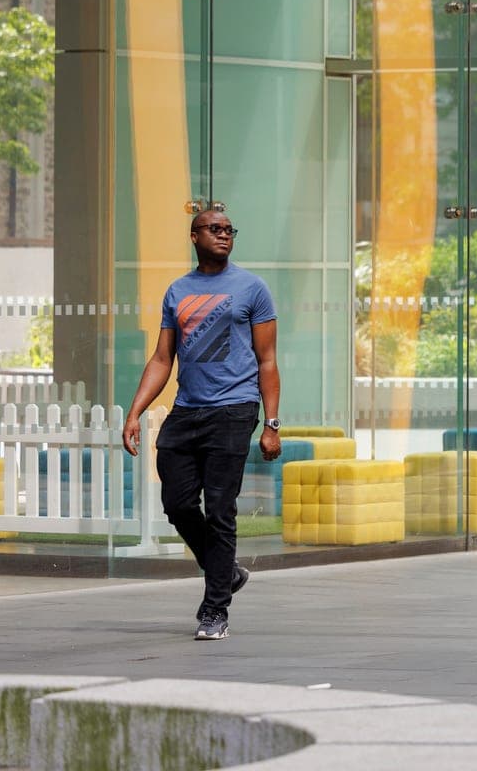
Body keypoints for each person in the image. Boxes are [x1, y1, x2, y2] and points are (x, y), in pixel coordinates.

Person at [123, 208, 281, 641]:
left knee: (220, 510)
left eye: (230, 230)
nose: (225, 235)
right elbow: (161, 359)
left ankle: (215, 610)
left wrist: (271, 423)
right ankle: (225, 572)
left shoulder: (253, 288)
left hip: (234, 410)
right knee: (176, 502)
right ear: (194, 236)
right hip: (188, 410)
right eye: (215, 229)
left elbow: (267, 361)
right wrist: (135, 411)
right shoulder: (178, 291)